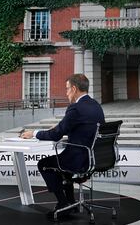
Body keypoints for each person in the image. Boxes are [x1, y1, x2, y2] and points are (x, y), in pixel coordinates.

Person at [21, 74, 105, 217]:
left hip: (78, 158)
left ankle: (63, 203)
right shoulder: (96, 106)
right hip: (94, 157)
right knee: (62, 169)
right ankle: (70, 202)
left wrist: (34, 133)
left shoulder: (75, 108)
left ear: (74, 88)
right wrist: (60, 126)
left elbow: (55, 136)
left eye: (67, 89)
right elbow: (83, 127)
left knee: (44, 164)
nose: (66, 93)